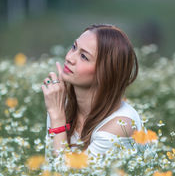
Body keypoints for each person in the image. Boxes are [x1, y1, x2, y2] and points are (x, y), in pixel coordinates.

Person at [42, 24, 148, 164]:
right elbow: (49, 171)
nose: (69, 58)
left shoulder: (119, 126)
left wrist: (57, 118)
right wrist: (57, 114)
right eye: (74, 47)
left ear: (105, 73)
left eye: (84, 56)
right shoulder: (61, 104)